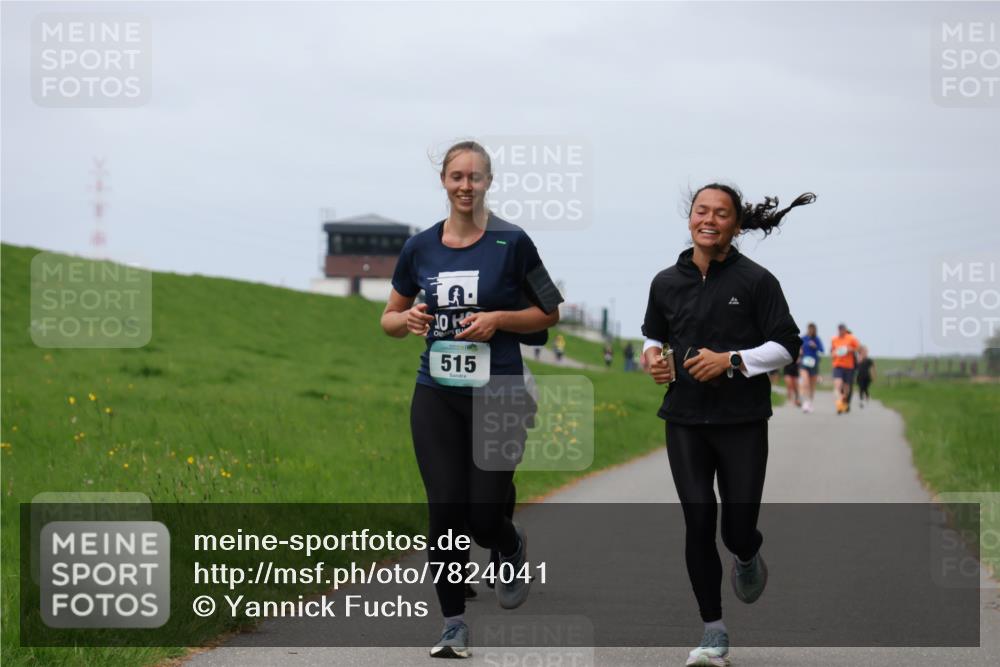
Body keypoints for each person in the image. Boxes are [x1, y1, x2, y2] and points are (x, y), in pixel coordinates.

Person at [380, 140, 563, 658]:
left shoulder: (513, 242)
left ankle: (509, 545)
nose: (466, 186)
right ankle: (453, 624)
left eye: (475, 177)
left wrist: (499, 320)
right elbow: (388, 319)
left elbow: (549, 313)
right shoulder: (419, 247)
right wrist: (408, 319)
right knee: (445, 511)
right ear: (443, 181)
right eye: (457, 176)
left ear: (489, 182)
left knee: (483, 517)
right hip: (436, 392)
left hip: (500, 390)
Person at [642, 184, 814, 667]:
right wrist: (653, 359)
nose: (709, 220)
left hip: (741, 422)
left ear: (736, 226)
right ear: (690, 218)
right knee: (698, 519)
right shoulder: (665, 282)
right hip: (684, 420)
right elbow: (654, 335)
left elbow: (786, 345)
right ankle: (713, 632)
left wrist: (732, 360)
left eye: (721, 214)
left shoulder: (757, 281)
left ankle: (747, 553)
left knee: (736, 529)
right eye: (702, 211)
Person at [830, 323, 861, 414]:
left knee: (847, 387)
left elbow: (858, 348)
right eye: (839, 329)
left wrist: (851, 349)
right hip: (838, 365)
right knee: (837, 385)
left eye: (842, 329)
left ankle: (844, 401)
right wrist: (834, 353)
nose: (841, 331)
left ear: (845, 330)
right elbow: (832, 351)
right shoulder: (834, 339)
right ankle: (840, 401)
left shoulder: (851, 338)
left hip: (848, 366)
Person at [796, 322, 824, 413]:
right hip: (804, 363)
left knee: (812, 386)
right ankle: (805, 403)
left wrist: (815, 346)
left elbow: (822, 350)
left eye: (812, 329)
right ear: (808, 329)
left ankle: (810, 402)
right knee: (805, 383)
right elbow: (797, 347)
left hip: (814, 364)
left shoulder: (817, 339)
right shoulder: (803, 338)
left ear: (815, 330)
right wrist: (799, 351)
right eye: (809, 329)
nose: (811, 331)